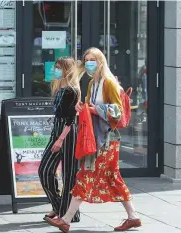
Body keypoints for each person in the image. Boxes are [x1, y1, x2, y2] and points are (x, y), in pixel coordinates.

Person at [46, 47, 141, 232]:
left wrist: (93, 110)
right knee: (113, 177)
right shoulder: (92, 84)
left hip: (106, 139)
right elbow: (90, 107)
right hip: (99, 138)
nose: (89, 63)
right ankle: (133, 217)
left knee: (85, 175)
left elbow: (117, 111)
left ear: (101, 62)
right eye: (86, 60)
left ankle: (65, 220)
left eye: (92, 60)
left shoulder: (109, 83)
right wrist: (83, 107)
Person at [38, 57, 81, 223]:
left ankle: (70, 214)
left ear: (66, 70)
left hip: (68, 133)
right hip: (56, 131)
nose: (55, 70)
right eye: (55, 67)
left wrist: (61, 139)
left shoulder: (72, 90)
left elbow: (71, 118)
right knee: (44, 170)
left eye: (58, 68)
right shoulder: (58, 88)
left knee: (69, 175)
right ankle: (58, 207)